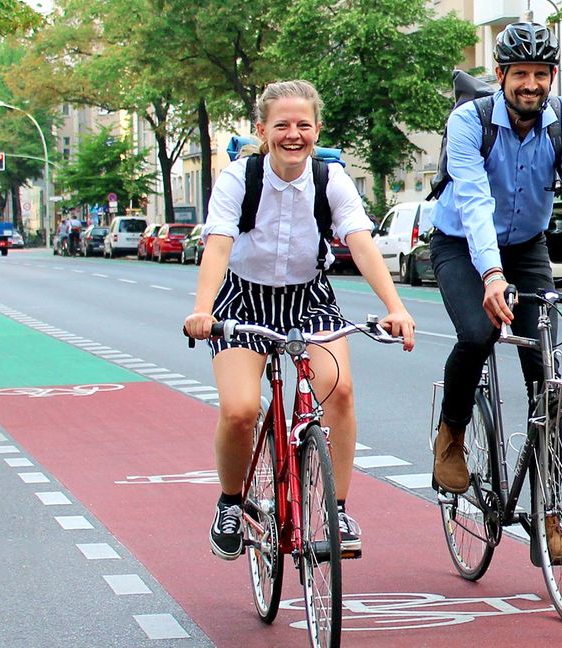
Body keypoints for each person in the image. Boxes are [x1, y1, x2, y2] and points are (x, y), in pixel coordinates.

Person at [183, 80, 417, 561]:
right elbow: (219, 245)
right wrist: (203, 310)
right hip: (242, 302)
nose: (294, 134)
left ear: (317, 129)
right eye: (282, 125)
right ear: (262, 129)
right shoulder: (238, 179)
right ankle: (230, 502)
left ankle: (339, 508)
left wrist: (396, 306)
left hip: (309, 300)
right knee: (241, 410)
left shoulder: (331, 180)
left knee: (340, 389)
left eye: (303, 125)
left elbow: (359, 241)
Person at [428, 21, 562, 564]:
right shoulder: (469, 122)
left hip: (528, 245)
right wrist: (490, 274)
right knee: (478, 332)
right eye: (521, 74)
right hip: (462, 243)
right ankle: (452, 433)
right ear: (500, 76)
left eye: (541, 74)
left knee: (546, 379)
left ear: (552, 77)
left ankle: (549, 516)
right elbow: (472, 201)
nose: (531, 84)